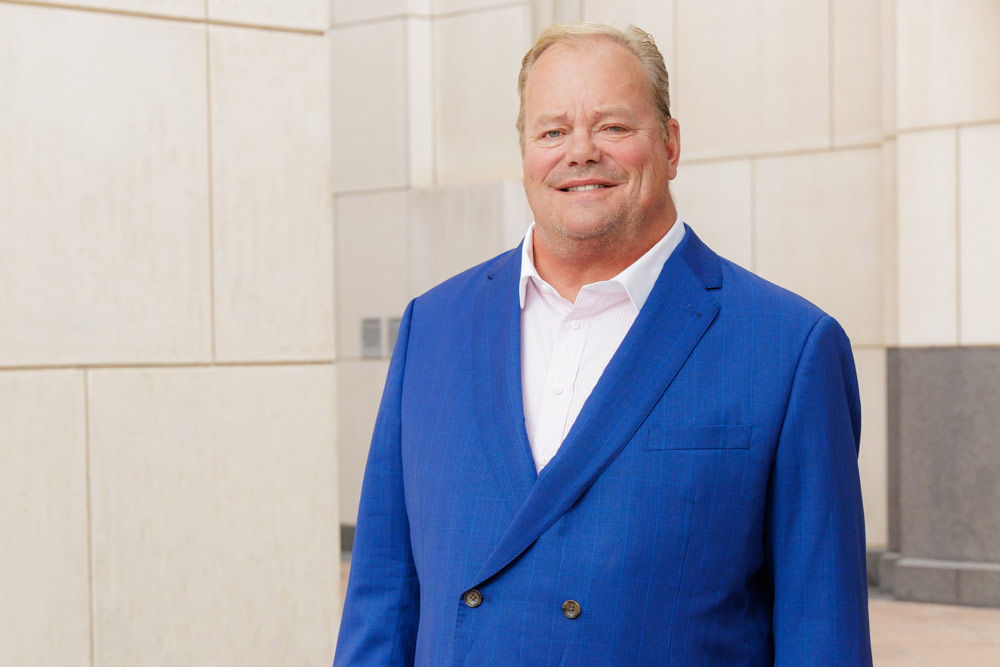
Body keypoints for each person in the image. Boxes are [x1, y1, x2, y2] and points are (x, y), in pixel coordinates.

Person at [335, 22, 871, 665]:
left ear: (670, 145)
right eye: (552, 131)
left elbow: (824, 634)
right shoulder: (434, 326)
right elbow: (382, 601)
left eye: (614, 127)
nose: (580, 151)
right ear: (525, 150)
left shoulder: (790, 348)